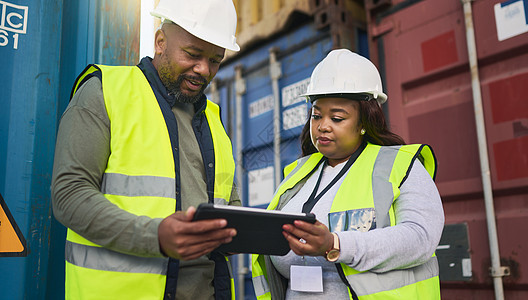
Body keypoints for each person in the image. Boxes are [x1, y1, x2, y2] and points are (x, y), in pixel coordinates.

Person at [51, 0, 242, 299]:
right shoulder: (105, 92)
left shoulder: (214, 121)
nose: (204, 70)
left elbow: (231, 210)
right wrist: (156, 237)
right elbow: (68, 195)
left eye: (216, 60)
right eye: (192, 55)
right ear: (160, 42)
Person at [251, 49, 444, 299]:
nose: (323, 126)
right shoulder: (298, 175)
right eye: (316, 115)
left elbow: (420, 238)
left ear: (364, 122)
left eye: (337, 117)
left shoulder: (400, 165)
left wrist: (335, 244)